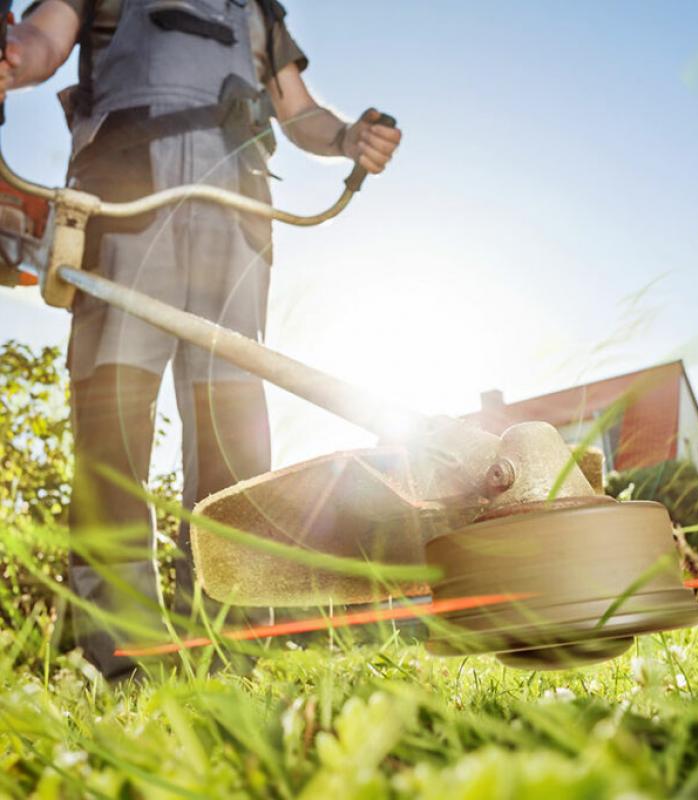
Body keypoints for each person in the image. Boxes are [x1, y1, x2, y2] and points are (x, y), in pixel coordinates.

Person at [0, 0, 402, 679]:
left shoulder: (255, 10)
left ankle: (232, 662)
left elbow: (297, 109)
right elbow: (42, 38)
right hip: (124, 201)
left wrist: (347, 138)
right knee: (113, 437)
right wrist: (15, 55)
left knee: (234, 447)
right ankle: (123, 667)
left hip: (236, 214)